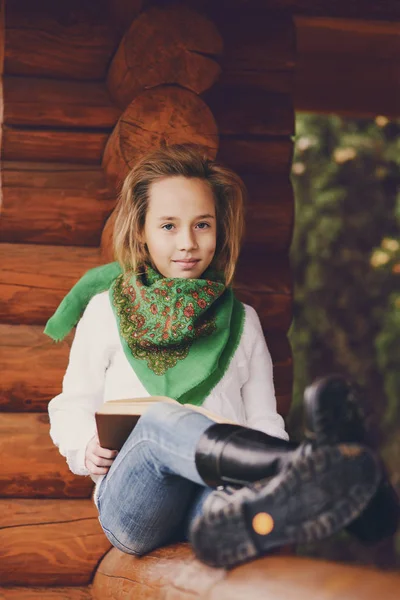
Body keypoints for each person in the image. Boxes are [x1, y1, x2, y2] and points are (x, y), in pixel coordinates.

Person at [46, 144, 398, 569]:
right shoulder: (105, 310)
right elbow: (72, 404)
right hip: (135, 505)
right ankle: (312, 464)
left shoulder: (244, 322)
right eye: (169, 226)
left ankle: (320, 508)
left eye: (203, 225)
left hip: (211, 499)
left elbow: (264, 423)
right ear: (141, 230)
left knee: (229, 510)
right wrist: (85, 446)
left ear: (220, 228)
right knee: (161, 418)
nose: (188, 243)